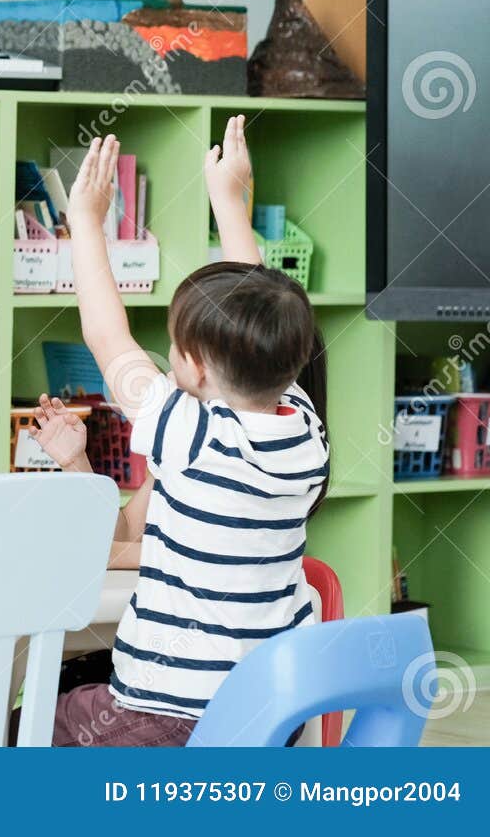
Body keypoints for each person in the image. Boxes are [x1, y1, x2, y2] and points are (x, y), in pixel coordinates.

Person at [45, 117, 329, 746]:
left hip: (165, 715)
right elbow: (258, 321)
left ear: (194, 367)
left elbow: (106, 334)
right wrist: (231, 204)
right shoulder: (305, 430)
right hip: (267, 713)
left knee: (31, 722)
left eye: (173, 349)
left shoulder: (192, 434)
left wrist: (86, 223)